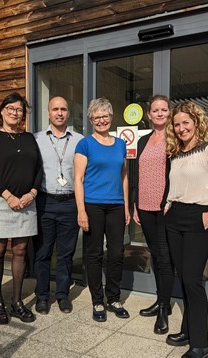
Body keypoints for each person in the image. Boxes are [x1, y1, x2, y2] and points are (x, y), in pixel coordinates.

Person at [164, 101, 208, 358]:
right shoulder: (176, 153)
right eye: (177, 124)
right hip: (175, 217)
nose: (181, 128)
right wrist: (168, 205)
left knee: (193, 280)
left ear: (196, 123)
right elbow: (176, 184)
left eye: (186, 123)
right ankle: (187, 330)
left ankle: (201, 345)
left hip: (200, 217)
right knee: (182, 276)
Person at [0, 92, 42, 325]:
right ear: (2, 111)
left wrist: (32, 193)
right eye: (11, 109)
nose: (16, 113)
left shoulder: (29, 138)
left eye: (20, 110)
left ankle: (16, 302)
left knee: (20, 251)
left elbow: (39, 169)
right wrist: (8, 196)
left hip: (26, 202)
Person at [74, 98, 131, 322]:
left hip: (116, 205)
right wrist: (81, 211)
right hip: (93, 205)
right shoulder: (85, 145)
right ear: (91, 120)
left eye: (104, 116)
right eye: (96, 117)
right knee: (94, 254)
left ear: (111, 117)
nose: (101, 120)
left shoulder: (120, 144)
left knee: (117, 253)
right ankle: (97, 301)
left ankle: (113, 298)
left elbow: (124, 177)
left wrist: (126, 206)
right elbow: (78, 179)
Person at [33, 96, 83, 314]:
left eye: (63, 109)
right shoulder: (36, 139)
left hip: (69, 203)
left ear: (68, 113)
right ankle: (42, 296)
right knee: (43, 252)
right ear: (48, 113)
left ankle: (62, 294)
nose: (59, 113)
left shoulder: (80, 141)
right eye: (55, 109)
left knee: (65, 253)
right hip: (45, 201)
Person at [133, 95, 174, 334]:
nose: (159, 113)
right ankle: (161, 301)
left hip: (166, 208)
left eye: (164, 110)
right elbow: (137, 174)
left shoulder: (174, 139)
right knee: (155, 256)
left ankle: (164, 308)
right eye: (155, 110)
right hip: (145, 207)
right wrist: (136, 204)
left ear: (169, 113)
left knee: (164, 256)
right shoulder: (143, 141)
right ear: (148, 115)